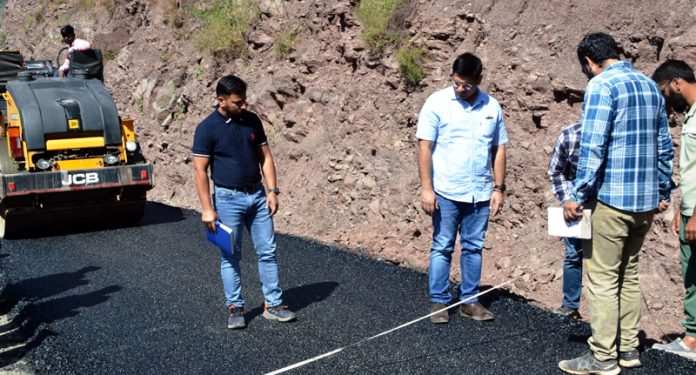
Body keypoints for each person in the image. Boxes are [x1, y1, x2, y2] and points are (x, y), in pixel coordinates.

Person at [558, 33, 674, 374]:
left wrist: (578, 195)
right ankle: (627, 349)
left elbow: (592, 148)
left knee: (603, 279)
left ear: (589, 62)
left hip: (612, 200)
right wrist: (663, 190)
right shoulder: (650, 86)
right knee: (629, 275)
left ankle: (603, 357)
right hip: (645, 204)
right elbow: (664, 145)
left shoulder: (601, 86)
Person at [192, 74, 296, 329]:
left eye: (245, 100)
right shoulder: (207, 129)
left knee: (268, 252)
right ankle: (235, 307)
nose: (244, 106)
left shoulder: (252, 121)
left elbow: (266, 157)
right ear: (221, 100)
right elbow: (199, 171)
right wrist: (207, 209)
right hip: (228, 199)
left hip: (258, 196)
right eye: (238, 102)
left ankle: (273, 305)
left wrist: (272, 191)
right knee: (230, 255)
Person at [416, 52, 508, 324]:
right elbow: (424, 146)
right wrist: (426, 188)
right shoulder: (437, 102)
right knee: (443, 245)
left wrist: (499, 188)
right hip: (446, 191)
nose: (460, 88)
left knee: (473, 247)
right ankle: (439, 301)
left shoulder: (492, 107)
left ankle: (470, 300)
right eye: (456, 82)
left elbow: (499, 148)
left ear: (479, 80)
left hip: (479, 193)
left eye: (466, 84)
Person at [651, 59, 696, 361]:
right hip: (690, 208)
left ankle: (692, 342)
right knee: (690, 272)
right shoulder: (691, 117)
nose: (667, 101)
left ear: (677, 82)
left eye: (666, 93)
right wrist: (683, 206)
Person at [547, 122, 583, 320]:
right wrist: (567, 199)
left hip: (606, 206)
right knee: (573, 256)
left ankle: (606, 316)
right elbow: (556, 171)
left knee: (604, 264)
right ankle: (570, 306)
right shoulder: (570, 136)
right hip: (575, 206)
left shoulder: (617, 134)